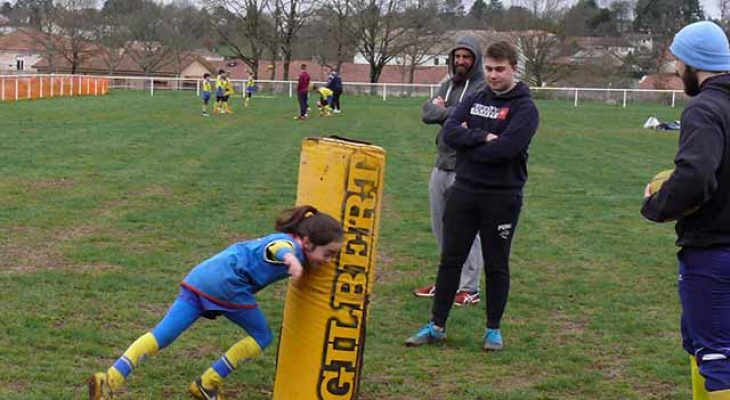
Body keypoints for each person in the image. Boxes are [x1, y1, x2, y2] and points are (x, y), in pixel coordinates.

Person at [88, 205, 344, 400]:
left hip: (201, 277)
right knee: (261, 336)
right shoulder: (290, 245)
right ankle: (208, 382)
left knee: (161, 336)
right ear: (308, 242)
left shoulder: (293, 240)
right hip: (227, 285)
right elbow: (277, 248)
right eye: (328, 254)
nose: (329, 260)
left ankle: (109, 379)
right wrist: (292, 259)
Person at [405, 41, 539, 351]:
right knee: (450, 259)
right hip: (465, 189)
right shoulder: (477, 97)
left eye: (500, 70)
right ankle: (436, 326)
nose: (493, 76)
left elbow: (506, 149)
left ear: (513, 69)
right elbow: (449, 132)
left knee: (496, 265)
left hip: (502, 196)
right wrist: (481, 136)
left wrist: (472, 142)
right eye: (490, 69)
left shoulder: (525, 108)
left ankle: (493, 330)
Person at [641, 21, 730, 400]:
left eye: (678, 62)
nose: (676, 72)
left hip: (712, 252)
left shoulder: (704, 108)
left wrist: (657, 204)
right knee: (700, 346)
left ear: (693, 63)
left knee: (716, 356)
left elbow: (695, 176)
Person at [414, 36, 486, 307]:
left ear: (475, 59)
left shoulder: (481, 87)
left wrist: (447, 111)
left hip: (466, 168)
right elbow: (426, 113)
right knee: (441, 227)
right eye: (457, 56)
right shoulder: (447, 84)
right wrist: (452, 113)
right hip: (441, 164)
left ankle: (470, 288)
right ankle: (448, 281)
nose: (461, 61)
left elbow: (472, 117)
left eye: (466, 57)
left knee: (466, 228)